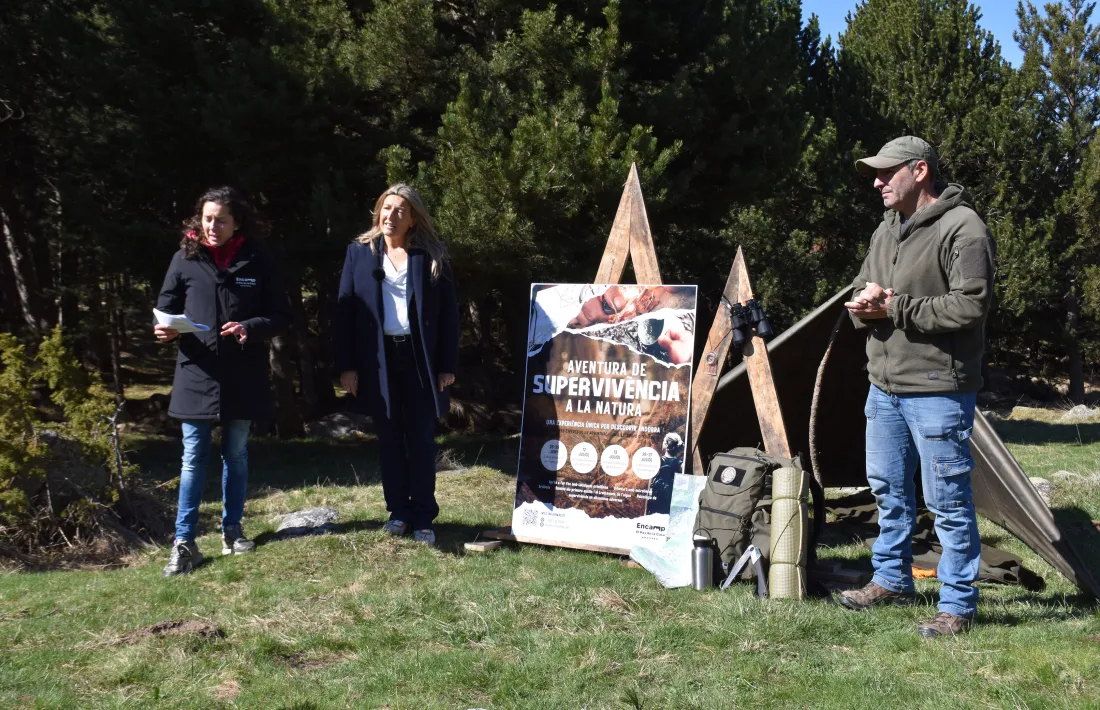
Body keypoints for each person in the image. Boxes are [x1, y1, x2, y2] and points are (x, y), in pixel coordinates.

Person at [838, 137, 995, 637]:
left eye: (887, 174)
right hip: (883, 385)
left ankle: (957, 605)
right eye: (876, 176)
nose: (879, 184)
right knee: (888, 491)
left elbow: (970, 306)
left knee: (947, 501)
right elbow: (866, 282)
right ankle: (892, 579)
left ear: (920, 171)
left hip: (938, 390)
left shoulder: (963, 228)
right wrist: (863, 303)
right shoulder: (885, 230)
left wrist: (894, 307)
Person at [155, 186, 291, 576]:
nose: (213, 226)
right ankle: (184, 544)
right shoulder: (185, 258)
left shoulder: (257, 258)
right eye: (208, 218)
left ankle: (233, 531)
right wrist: (164, 329)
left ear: (238, 223)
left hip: (242, 374)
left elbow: (280, 314)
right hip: (196, 372)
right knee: (193, 456)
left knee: (236, 453)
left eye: (222, 219)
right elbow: (164, 310)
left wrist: (250, 326)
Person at [334, 184, 459, 546]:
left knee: (420, 437)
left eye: (400, 210)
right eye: (386, 208)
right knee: (389, 437)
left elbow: (449, 314)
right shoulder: (359, 253)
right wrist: (347, 365)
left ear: (413, 218)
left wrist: (446, 364)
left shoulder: (431, 255)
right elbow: (344, 313)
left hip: (420, 358)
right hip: (378, 359)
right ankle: (398, 513)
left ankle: (423, 517)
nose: (391, 216)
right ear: (378, 212)